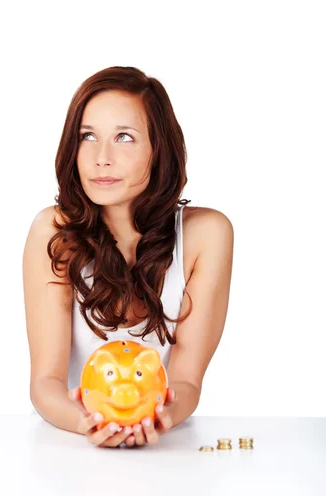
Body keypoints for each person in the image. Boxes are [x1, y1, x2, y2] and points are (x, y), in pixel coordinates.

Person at [23, 65, 234, 448]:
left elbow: (186, 380)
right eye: (87, 136)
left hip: (170, 454)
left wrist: (162, 416)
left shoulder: (208, 234)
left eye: (124, 137)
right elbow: (45, 383)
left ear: (159, 149)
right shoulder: (53, 232)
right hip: (68, 452)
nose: (101, 158)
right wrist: (88, 423)